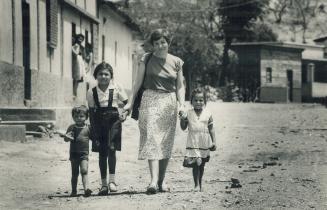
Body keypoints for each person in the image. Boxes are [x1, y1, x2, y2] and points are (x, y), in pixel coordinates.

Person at [124, 28, 186, 194]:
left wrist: (182, 105)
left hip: (169, 102)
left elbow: (180, 87)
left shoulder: (177, 62)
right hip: (150, 99)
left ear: (168, 43)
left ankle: (161, 181)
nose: (160, 46)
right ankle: (152, 181)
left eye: (163, 42)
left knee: (166, 141)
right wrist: (130, 103)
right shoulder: (146, 58)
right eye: (157, 43)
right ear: (153, 45)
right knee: (152, 137)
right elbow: (137, 82)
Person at [87, 62, 128, 195]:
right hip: (99, 123)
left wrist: (124, 113)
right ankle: (104, 184)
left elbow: (127, 104)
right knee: (102, 152)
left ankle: (112, 181)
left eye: (106, 74)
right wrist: (93, 131)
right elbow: (91, 113)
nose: (103, 76)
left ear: (111, 76)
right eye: (100, 74)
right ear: (96, 76)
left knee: (112, 149)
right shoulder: (91, 91)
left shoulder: (116, 88)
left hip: (114, 121)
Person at [180, 88, 217, 192]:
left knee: (202, 164)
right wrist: (182, 119)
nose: (198, 102)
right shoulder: (188, 113)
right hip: (193, 141)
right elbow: (183, 127)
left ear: (205, 101)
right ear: (191, 101)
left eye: (201, 100)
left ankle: (199, 184)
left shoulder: (208, 113)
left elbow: (211, 128)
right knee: (196, 163)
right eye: (195, 100)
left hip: (204, 142)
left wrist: (214, 142)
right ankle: (196, 185)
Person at [58, 105, 92, 197]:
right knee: (75, 173)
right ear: (73, 117)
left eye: (81, 116)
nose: (78, 118)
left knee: (84, 170)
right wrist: (66, 137)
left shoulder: (88, 128)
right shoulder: (72, 128)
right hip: (74, 154)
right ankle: (74, 191)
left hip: (84, 154)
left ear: (86, 117)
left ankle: (86, 190)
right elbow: (67, 139)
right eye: (76, 116)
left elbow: (94, 138)